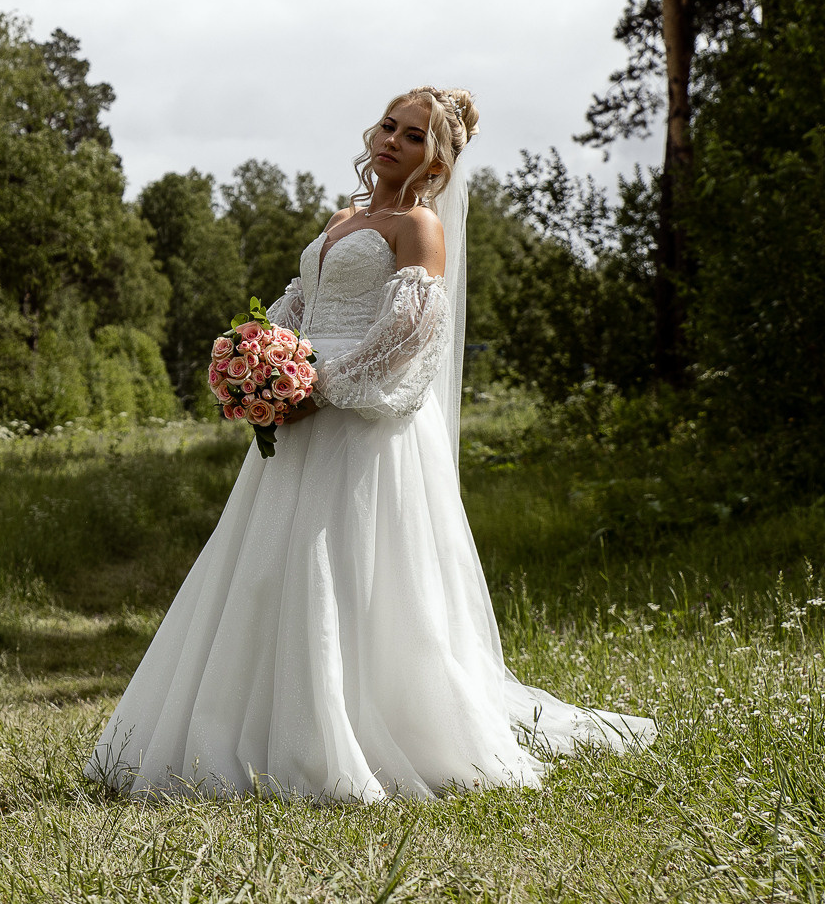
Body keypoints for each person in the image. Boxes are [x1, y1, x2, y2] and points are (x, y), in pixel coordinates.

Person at [88, 88, 656, 802]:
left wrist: (315, 388)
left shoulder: (419, 226)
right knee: (268, 565)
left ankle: (339, 731)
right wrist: (258, 360)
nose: (392, 140)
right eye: (390, 125)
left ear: (437, 159)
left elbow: (410, 335)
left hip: (358, 419)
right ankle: (243, 725)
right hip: (295, 413)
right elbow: (299, 304)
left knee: (340, 566)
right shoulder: (343, 218)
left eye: (414, 135)